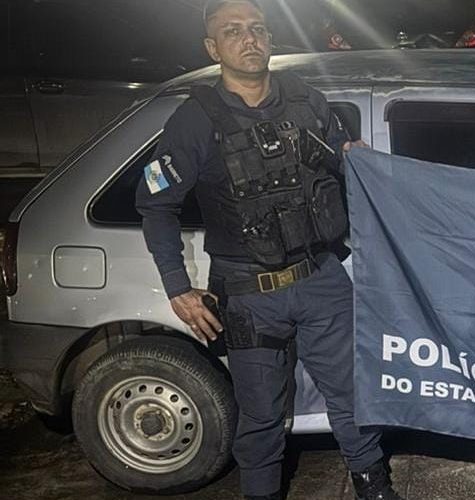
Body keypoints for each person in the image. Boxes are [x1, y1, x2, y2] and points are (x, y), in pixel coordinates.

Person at [135, 1, 401, 499]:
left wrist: (354, 159)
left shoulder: (307, 101)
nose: (249, 38)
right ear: (213, 48)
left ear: (271, 38)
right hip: (248, 295)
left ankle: (373, 485)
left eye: (257, 28)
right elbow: (155, 204)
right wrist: (177, 287)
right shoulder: (194, 121)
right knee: (260, 417)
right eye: (232, 31)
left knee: (353, 395)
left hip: (320, 278)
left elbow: (343, 168)